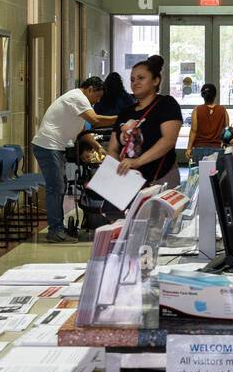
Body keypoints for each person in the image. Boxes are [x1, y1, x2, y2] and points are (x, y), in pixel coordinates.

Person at [32, 77, 116, 242]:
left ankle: (58, 228)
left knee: (59, 187)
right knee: (56, 188)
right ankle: (55, 231)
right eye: (97, 96)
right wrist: (120, 118)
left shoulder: (77, 102)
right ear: (90, 89)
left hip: (55, 146)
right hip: (48, 146)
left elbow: (83, 131)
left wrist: (98, 147)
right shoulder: (77, 97)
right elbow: (95, 120)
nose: (97, 100)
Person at [109, 54, 183, 188]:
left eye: (141, 78)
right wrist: (117, 170)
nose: (135, 83)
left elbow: (168, 140)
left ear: (156, 81)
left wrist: (137, 162)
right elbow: (113, 148)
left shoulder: (166, 104)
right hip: (129, 182)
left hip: (160, 179)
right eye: (132, 79)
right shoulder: (126, 112)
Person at [186, 83, 233, 165]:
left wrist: (189, 148)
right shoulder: (222, 110)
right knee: (217, 176)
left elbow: (193, 130)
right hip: (219, 149)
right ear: (215, 95)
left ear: (202, 95)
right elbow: (226, 131)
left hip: (199, 150)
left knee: (201, 177)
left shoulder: (197, 110)